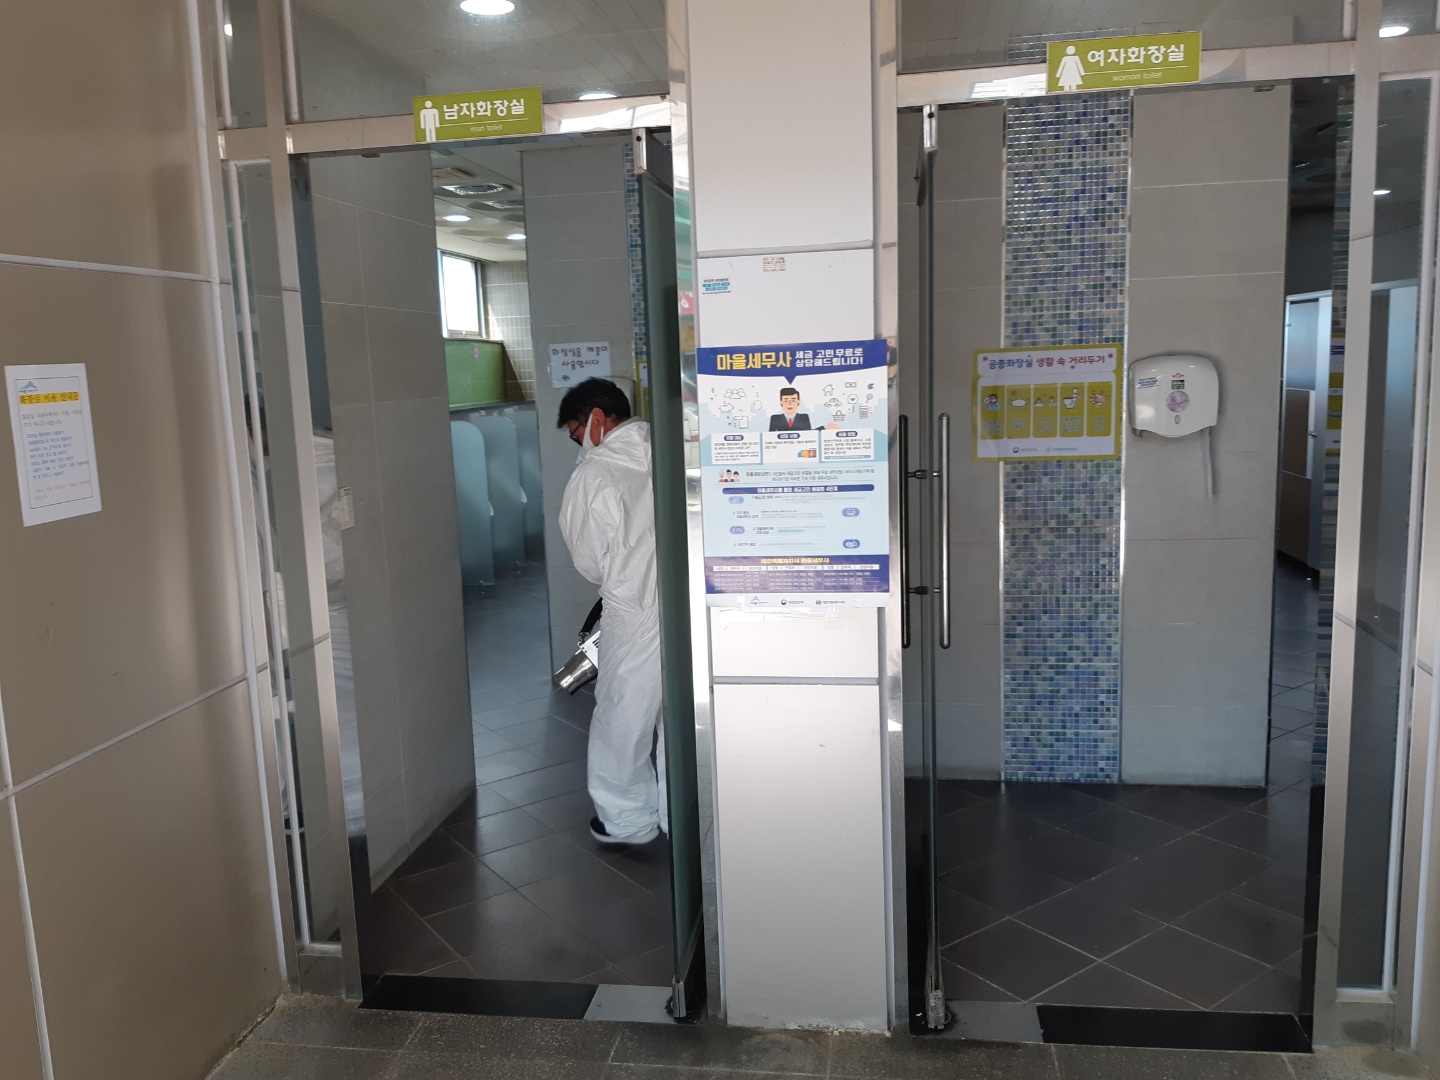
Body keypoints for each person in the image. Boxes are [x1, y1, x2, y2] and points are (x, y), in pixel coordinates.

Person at [556, 378, 665, 846]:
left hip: (633, 608)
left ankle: (628, 821)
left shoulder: (594, 474)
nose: (579, 443)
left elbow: (587, 559)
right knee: (681, 717)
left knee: (623, 717)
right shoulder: (669, 450)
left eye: (576, 433)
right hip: (687, 607)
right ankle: (680, 814)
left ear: (597, 419)